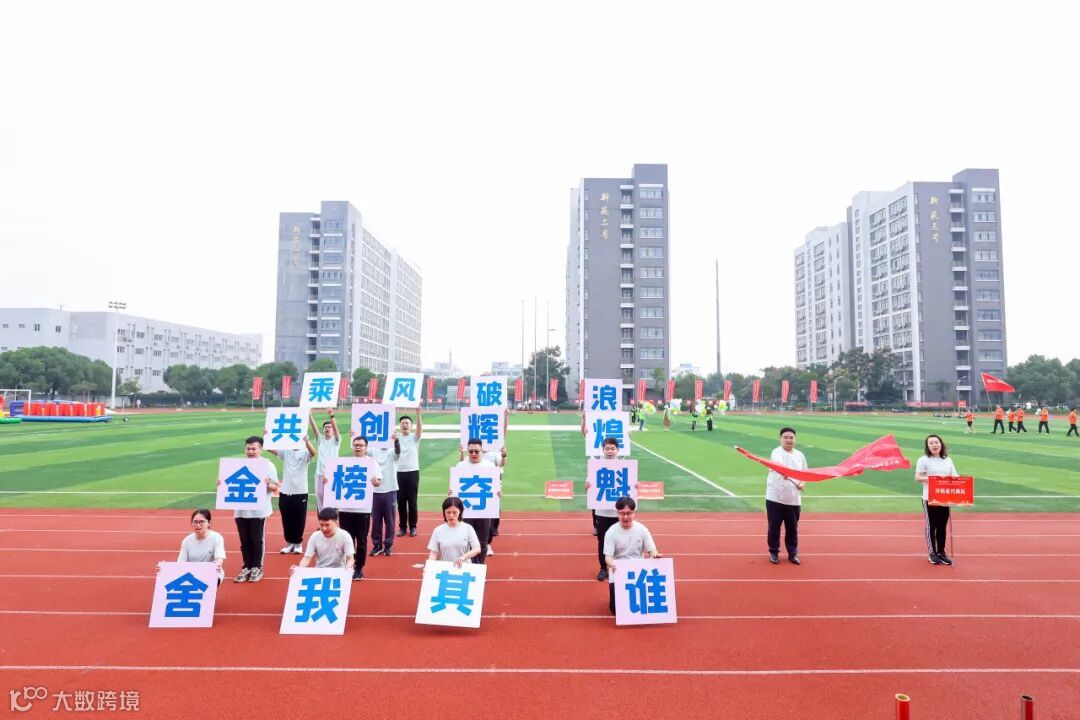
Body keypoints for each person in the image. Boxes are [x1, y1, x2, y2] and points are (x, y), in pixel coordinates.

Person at [328, 435, 382, 581]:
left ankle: (359, 568)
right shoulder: (345, 463)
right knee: (347, 540)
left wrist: (375, 482)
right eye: (356, 445)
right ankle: (348, 566)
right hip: (345, 509)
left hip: (363, 510)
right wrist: (328, 479)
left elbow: (378, 482)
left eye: (361, 445)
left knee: (362, 541)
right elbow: (335, 481)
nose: (358, 448)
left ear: (366, 447)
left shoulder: (371, 463)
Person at [231, 436, 279, 583]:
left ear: (261, 449)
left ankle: (257, 567)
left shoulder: (268, 465)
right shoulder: (238, 465)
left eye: (254, 449)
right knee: (244, 540)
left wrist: (267, 484)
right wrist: (221, 483)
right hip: (240, 509)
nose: (251, 451)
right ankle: (247, 566)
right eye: (248, 448)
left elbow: (275, 487)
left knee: (256, 539)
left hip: (258, 510)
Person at [603, 496, 660, 614]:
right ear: (617, 513)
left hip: (638, 573)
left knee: (641, 608)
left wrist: (654, 554)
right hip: (618, 572)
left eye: (629, 513)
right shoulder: (611, 532)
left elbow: (652, 549)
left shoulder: (642, 529)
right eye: (622, 513)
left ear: (634, 512)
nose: (625, 517)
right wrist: (612, 565)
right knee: (616, 611)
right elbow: (608, 556)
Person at [267, 429, 316, 554]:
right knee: (286, 518)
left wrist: (307, 442)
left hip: (300, 491)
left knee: (299, 518)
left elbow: (313, 453)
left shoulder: (305, 452)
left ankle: (298, 543)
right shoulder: (286, 452)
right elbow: (270, 449)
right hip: (285, 491)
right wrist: (267, 435)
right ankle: (289, 543)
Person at [452, 438, 500, 563]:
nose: (473, 454)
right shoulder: (461, 465)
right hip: (466, 510)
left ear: (482, 451)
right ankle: (467, 565)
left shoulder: (489, 466)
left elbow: (495, 485)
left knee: (482, 541)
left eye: (477, 451)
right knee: (464, 540)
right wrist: (452, 492)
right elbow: (455, 486)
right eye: (471, 451)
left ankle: (479, 567)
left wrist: (498, 492)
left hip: (484, 510)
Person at [764, 427, 807, 566]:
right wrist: (784, 471)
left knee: (792, 528)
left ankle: (792, 553)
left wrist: (802, 483)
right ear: (780, 439)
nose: (788, 440)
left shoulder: (800, 455)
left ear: (795, 439)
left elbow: (805, 473)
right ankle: (774, 552)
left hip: (793, 499)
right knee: (774, 527)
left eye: (791, 438)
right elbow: (780, 466)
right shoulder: (777, 452)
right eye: (785, 437)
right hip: (775, 497)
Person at [915, 434, 959, 566]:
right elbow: (918, 477)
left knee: (942, 526)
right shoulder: (923, 460)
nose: (934, 445)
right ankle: (932, 553)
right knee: (931, 526)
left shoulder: (948, 460)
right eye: (931, 443)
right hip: (929, 498)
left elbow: (954, 475)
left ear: (941, 444)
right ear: (927, 446)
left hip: (944, 498)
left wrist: (958, 479)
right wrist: (934, 479)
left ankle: (941, 553)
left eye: (936, 442)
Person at [585, 437, 622, 581]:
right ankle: (603, 568)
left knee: (620, 541)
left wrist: (635, 486)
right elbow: (589, 484)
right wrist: (588, 485)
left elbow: (631, 485)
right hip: (602, 512)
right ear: (603, 450)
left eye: (613, 448)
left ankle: (619, 567)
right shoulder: (596, 466)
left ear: (618, 450)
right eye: (607, 449)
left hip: (619, 512)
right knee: (602, 541)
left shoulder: (624, 466)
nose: (610, 451)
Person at [163, 509, 226, 584]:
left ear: (209, 523)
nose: (198, 525)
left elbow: (219, 557)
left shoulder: (216, 537)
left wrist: (217, 565)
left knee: (206, 586)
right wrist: (165, 568)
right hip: (193, 574)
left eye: (202, 522)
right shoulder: (187, 540)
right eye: (195, 522)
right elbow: (180, 562)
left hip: (211, 574)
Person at [369, 433, 401, 557]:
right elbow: (361, 450)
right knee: (376, 521)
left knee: (390, 520)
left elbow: (398, 451)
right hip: (375, 491)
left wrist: (396, 441)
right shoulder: (373, 451)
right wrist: (353, 436)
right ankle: (377, 545)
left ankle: (388, 545)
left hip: (390, 490)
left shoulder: (392, 452)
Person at [293, 508, 354, 572]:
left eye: (327, 525)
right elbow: (307, 558)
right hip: (320, 570)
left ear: (336, 522)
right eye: (321, 525)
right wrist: (298, 569)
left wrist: (348, 568)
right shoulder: (315, 536)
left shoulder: (345, 536)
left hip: (339, 570)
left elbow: (350, 558)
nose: (324, 529)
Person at [427, 496, 482, 567]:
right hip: (445, 568)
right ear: (444, 512)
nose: (451, 515)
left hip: (464, 567)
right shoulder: (438, 530)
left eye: (454, 512)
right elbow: (433, 553)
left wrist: (463, 557)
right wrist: (429, 567)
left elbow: (477, 549)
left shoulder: (468, 528)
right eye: (448, 512)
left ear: (460, 511)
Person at [395, 407, 423, 538]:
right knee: (400, 502)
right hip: (399, 472)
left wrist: (418, 415)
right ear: (400, 426)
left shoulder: (414, 438)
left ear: (411, 425)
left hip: (412, 472)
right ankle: (402, 527)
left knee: (412, 501)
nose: (405, 425)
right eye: (402, 423)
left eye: (407, 423)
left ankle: (412, 526)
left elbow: (419, 430)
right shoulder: (396, 437)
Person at [312, 410, 341, 511]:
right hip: (320, 474)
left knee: (332, 499)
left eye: (329, 427)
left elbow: (336, 428)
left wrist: (331, 415)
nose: (327, 428)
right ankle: (322, 518)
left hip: (333, 474)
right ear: (323, 430)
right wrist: (310, 416)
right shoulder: (320, 440)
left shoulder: (336, 441)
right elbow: (314, 428)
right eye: (325, 427)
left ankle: (333, 518)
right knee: (320, 498)